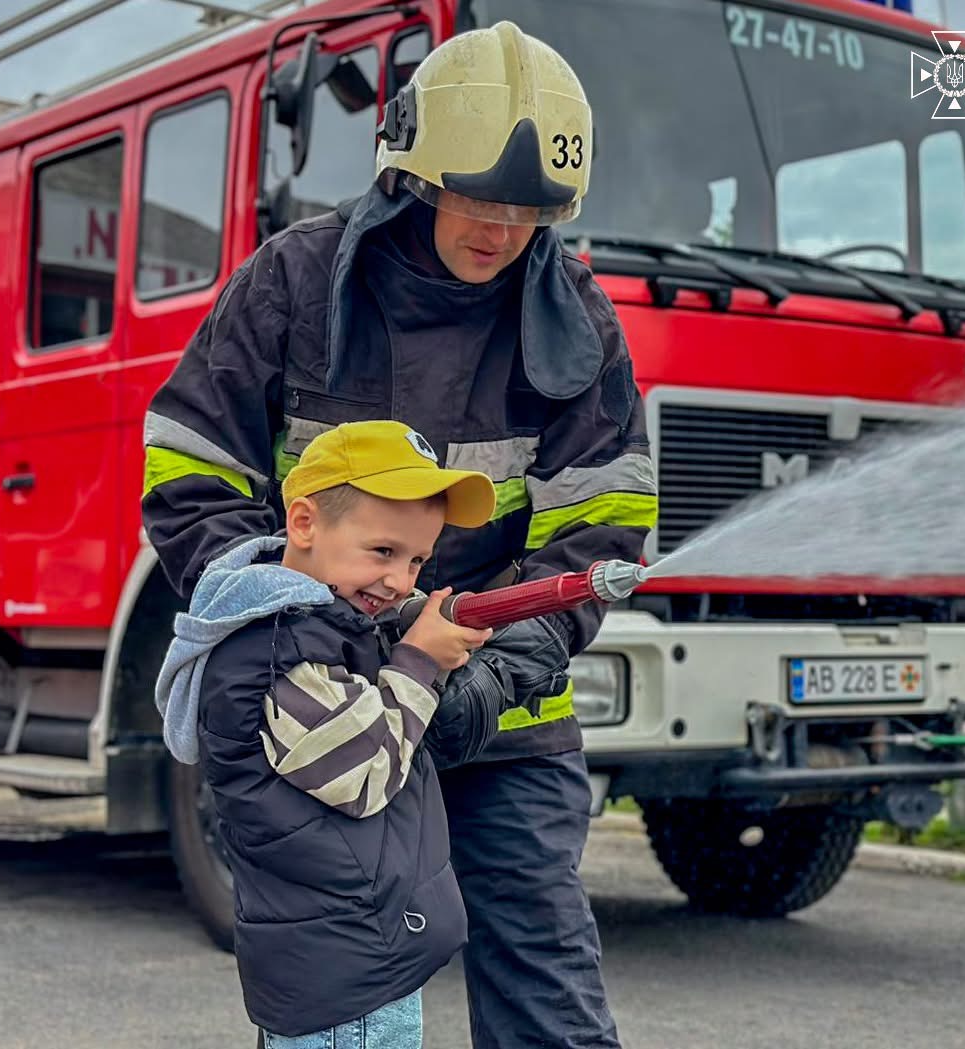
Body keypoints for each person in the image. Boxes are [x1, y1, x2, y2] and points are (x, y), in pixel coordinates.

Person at [143, 20, 657, 1049]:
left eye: (530, 210)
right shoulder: (292, 283)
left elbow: (601, 524)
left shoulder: (578, 321)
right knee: (343, 991)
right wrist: (305, 630)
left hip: (501, 714)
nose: (502, 229)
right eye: (480, 197)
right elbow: (188, 470)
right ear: (416, 171)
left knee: (545, 968)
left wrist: (488, 672)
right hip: (327, 716)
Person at [155, 420, 516, 1047]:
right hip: (345, 982)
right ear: (303, 524)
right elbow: (367, 771)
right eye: (382, 552)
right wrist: (419, 661)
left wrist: (410, 642)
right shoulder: (278, 652)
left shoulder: (319, 631)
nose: (402, 581)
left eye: (417, 560)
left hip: (356, 963)